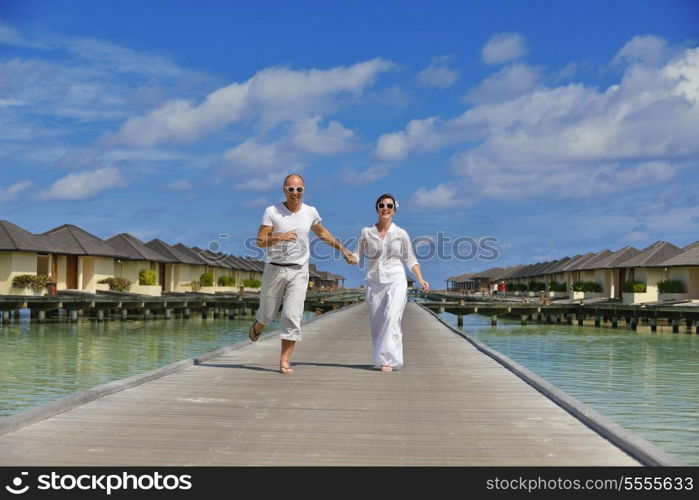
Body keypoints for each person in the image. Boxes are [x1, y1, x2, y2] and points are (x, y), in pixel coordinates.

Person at [250, 174, 356, 374]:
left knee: (292, 315)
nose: (295, 193)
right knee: (267, 314)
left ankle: (284, 360)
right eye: (291, 189)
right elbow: (260, 240)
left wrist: (343, 250)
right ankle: (258, 325)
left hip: (299, 270)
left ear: (303, 191)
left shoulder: (310, 212)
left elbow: (322, 233)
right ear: (284, 190)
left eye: (299, 190)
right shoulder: (272, 211)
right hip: (274, 269)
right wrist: (280, 237)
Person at [354, 194, 429, 372]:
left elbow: (410, 259)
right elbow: (357, 254)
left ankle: (389, 360)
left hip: (396, 280)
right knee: (377, 324)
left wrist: (420, 278)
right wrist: (352, 258)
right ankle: (382, 358)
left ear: (394, 209)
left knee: (391, 318)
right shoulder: (366, 232)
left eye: (389, 205)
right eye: (382, 205)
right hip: (375, 282)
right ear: (377, 209)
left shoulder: (401, 233)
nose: (385, 208)